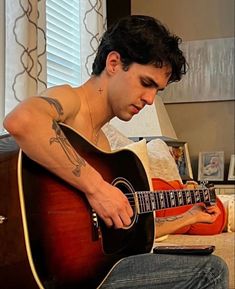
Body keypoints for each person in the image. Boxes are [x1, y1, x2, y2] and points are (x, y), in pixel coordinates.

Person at [4, 15, 228, 289]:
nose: (149, 99)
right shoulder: (71, 100)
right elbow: (22, 121)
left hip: (83, 276)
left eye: (157, 90)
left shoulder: (103, 147)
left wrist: (189, 217)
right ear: (113, 63)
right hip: (37, 272)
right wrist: (97, 188)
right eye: (146, 83)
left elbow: (126, 234)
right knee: (210, 271)